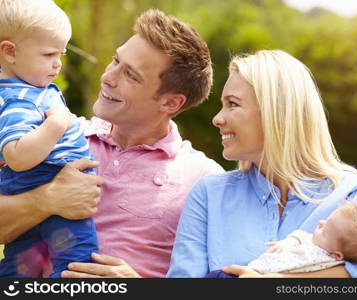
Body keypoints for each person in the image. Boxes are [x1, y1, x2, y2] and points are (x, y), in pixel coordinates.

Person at [0, 9, 223, 278]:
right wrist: (46, 200)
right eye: (116, 60)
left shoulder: (204, 179)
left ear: (170, 102)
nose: (108, 77)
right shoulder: (52, 137)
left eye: (131, 75)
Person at [166, 49, 357, 278]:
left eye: (233, 104)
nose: (217, 119)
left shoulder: (353, 192)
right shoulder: (208, 194)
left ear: (276, 112)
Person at [0, 0, 98, 277]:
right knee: (77, 263)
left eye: (61, 55)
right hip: (47, 176)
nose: (57, 64)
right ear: (9, 51)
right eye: (48, 55)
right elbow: (17, 157)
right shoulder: (19, 98)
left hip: (42, 179)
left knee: (22, 264)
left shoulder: (27, 88)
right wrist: (57, 123)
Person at [206, 202, 357, 277]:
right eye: (326, 220)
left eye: (325, 229)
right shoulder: (313, 241)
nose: (320, 223)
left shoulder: (328, 262)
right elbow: (300, 235)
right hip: (247, 271)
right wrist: (289, 241)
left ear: (337, 254)